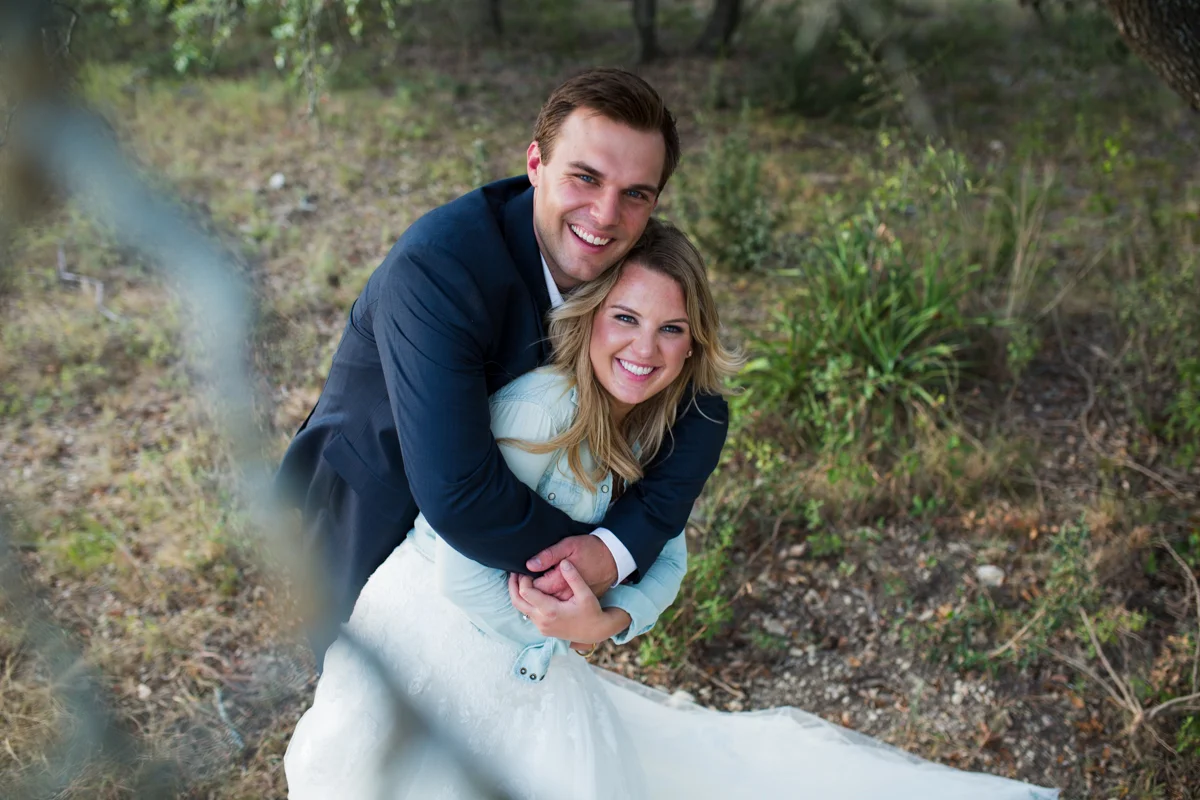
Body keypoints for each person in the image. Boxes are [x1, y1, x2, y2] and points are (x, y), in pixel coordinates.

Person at [284, 221, 1060, 800]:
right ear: (589, 320)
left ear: (694, 344)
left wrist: (608, 624)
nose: (644, 349)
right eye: (624, 318)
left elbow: (666, 556)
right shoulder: (535, 410)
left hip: (537, 655)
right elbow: (462, 569)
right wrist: (551, 632)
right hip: (434, 641)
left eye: (670, 330)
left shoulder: (663, 426)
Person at [274, 68, 728, 669]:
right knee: (364, 685)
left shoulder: (630, 269)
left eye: (635, 193)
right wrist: (593, 566)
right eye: (585, 177)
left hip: (518, 517)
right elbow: (459, 492)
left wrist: (615, 554)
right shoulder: (439, 268)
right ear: (535, 164)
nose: (605, 213)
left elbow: (697, 405)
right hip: (385, 493)